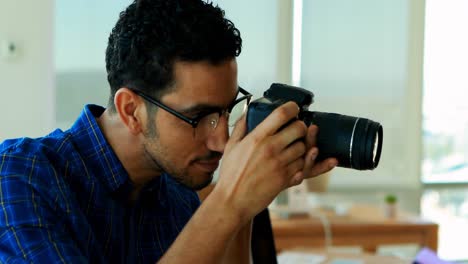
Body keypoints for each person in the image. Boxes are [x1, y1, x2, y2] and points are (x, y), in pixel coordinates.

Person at [0, 0, 337, 263]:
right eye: (199, 116)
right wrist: (228, 201)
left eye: (225, 111)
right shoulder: (21, 178)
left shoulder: (177, 196)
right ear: (132, 110)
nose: (220, 142)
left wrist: (248, 202)